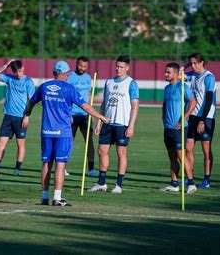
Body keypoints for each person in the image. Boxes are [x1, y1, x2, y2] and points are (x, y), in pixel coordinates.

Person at [22, 61, 110, 206]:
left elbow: (31, 101)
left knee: (46, 163)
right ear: (65, 74)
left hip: (46, 131)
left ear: (53, 72)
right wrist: (100, 116)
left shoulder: (44, 87)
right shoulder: (69, 88)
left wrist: (28, 112)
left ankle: (45, 197)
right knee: (60, 164)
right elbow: (86, 106)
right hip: (62, 133)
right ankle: (57, 198)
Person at [89, 55, 139, 194]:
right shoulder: (109, 82)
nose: (119, 69)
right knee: (101, 151)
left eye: (122, 67)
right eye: (117, 66)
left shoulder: (131, 83)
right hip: (107, 123)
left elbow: (135, 106)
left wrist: (131, 125)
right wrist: (99, 122)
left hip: (122, 124)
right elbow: (104, 103)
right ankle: (101, 182)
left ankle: (119, 184)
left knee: (121, 153)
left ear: (127, 68)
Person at [0, 59, 35, 177]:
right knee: (0, 143)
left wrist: (27, 117)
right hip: (8, 116)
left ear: (23, 68)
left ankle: (17, 169)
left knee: (20, 145)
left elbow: (31, 101)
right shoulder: (9, 78)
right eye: (16, 72)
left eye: (20, 71)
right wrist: (6, 65)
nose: (18, 74)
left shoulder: (29, 82)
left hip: (21, 118)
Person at [159, 63, 197, 193]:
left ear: (176, 74)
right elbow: (165, 104)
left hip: (179, 128)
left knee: (181, 155)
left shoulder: (183, 87)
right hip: (168, 127)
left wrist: (183, 119)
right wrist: (163, 117)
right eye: (165, 72)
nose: (165, 74)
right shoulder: (166, 88)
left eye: (168, 72)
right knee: (171, 156)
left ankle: (191, 183)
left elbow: (193, 102)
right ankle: (174, 184)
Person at [184, 53, 216, 189]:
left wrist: (202, 120)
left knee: (206, 148)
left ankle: (206, 179)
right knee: (188, 148)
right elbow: (179, 75)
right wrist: (184, 67)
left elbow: (209, 100)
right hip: (192, 116)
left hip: (206, 117)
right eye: (191, 63)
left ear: (202, 62)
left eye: (195, 63)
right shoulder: (191, 75)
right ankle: (189, 177)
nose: (193, 66)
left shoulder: (209, 77)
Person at [67, 56, 97, 177]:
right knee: (68, 142)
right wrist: (68, 113)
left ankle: (91, 169)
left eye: (84, 66)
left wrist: (92, 111)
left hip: (85, 115)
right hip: (72, 115)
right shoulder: (70, 77)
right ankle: (63, 167)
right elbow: (67, 95)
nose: (82, 68)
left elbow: (89, 94)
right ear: (76, 64)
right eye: (80, 65)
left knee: (89, 142)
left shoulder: (88, 77)